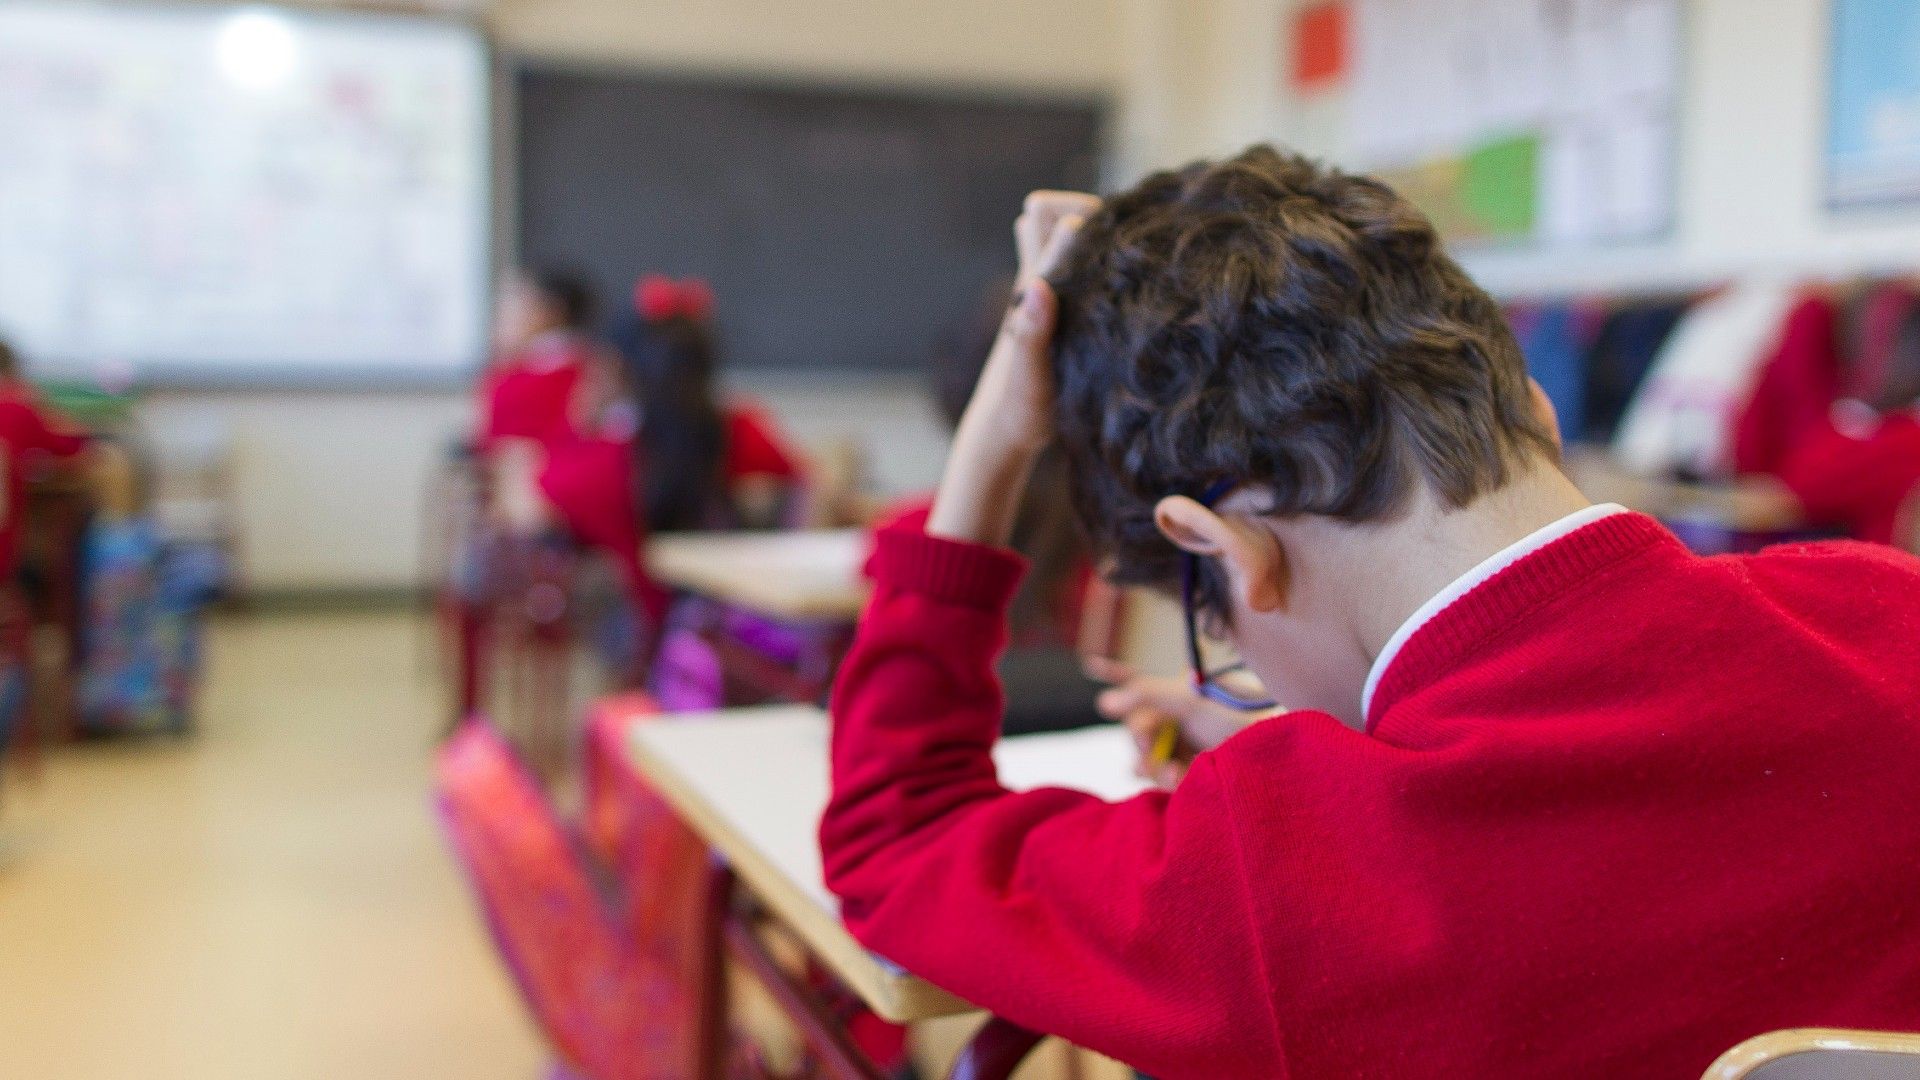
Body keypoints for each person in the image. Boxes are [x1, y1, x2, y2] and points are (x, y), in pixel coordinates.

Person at [818, 148, 1920, 1078]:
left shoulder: (1284, 881)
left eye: (1223, 643)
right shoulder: (1884, 606)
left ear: (1224, 554)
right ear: (1529, 407)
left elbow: (894, 836)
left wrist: (991, 447)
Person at [494, 276, 807, 627]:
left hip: (658, 642)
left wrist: (571, 427)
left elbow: (527, 515)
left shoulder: (602, 461)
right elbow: (809, 485)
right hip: (757, 630)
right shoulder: (744, 428)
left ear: (613, 369)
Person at [474, 269, 601, 451]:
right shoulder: (596, 365)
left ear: (550, 310)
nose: (504, 317)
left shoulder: (515, 380)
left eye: (515, 306)